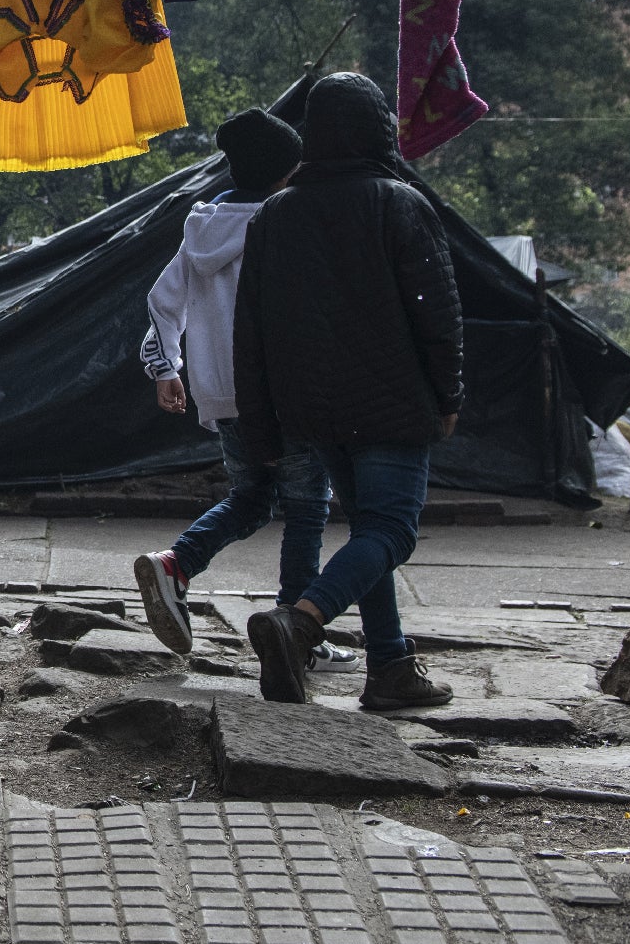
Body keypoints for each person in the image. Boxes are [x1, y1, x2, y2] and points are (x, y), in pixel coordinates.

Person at [234, 73, 460, 710]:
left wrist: (261, 430)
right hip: (392, 402)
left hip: (313, 408)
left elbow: (248, 331)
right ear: (376, 128)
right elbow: (437, 314)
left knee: (368, 529)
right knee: (392, 532)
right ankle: (299, 621)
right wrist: (449, 395)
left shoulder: (276, 213)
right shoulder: (400, 202)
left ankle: (390, 668)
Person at [132, 110, 360, 675]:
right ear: (287, 171)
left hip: (222, 393)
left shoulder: (201, 229)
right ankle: (296, 632)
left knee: (253, 497)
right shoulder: (291, 222)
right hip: (284, 391)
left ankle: (176, 563)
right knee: (307, 509)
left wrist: (167, 368)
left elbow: (164, 302)